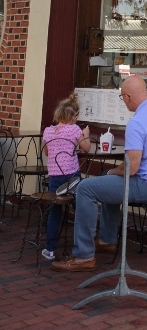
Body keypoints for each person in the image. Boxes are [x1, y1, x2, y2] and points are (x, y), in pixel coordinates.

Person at [52, 74, 147, 273]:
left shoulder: (137, 122)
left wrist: (113, 171)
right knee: (108, 178)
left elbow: (132, 167)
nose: (123, 102)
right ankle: (107, 239)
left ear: (128, 98)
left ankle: (83, 256)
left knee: (86, 188)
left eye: (122, 98)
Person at [41, 92, 91, 261]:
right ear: (74, 116)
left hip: (55, 177)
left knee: (55, 211)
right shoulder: (75, 129)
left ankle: (50, 248)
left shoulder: (48, 131)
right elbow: (86, 148)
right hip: (72, 176)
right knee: (80, 208)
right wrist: (86, 135)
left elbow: (47, 152)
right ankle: (81, 245)